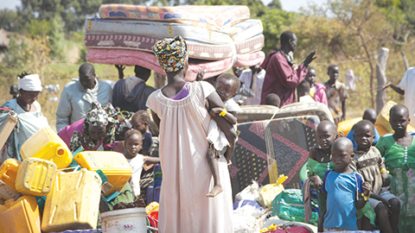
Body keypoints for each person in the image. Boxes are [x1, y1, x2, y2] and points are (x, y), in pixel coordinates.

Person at [147, 36, 236, 233]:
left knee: (181, 222)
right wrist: (227, 156)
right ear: (185, 61)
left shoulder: (154, 100)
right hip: (208, 171)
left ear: (163, 66)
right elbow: (229, 130)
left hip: (175, 175)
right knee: (211, 223)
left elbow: (167, 131)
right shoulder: (203, 89)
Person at [351, 120, 401, 232]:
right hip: (367, 195)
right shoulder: (353, 158)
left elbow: (381, 162)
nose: (364, 138)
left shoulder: (375, 151)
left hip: (381, 190)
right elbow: (361, 186)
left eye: (367, 136)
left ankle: (392, 230)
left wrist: (383, 171)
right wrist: (381, 199)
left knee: (395, 203)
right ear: (354, 137)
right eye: (360, 136)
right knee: (382, 208)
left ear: (373, 138)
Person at [376, 104, 415, 232]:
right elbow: (375, 159)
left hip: (413, 191)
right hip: (395, 190)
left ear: (409, 120)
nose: (398, 124)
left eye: (402, 120)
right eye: (394, 121)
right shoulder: (385, 141)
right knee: (396, 219)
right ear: (390, 121)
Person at [321, 138, 371, 232]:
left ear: (351, 156)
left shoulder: (356, 178)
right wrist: (321, 222)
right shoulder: (328, 175)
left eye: (342, 156)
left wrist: (366, 194)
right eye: (334, 156)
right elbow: (326, 201)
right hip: (329, 226)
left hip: (348, 227)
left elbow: (358, 205)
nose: (337, 159)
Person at [0, 72, 50, 161]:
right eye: (31, 95)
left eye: (37, 94)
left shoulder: (36, 106)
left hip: (35, 153)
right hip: (16, 157)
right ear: (21, 91)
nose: (34, 98)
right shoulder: (10, 109)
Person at [260, 30, 316, 106]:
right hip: (277, 104)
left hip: (283, 102)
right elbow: (291, 80)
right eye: (295, 42)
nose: (296, 45)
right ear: (290, 41)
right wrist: (305, 64)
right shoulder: (278, 58)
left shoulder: (285, 57)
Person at [206, 73, 240, 197]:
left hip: (223, 135)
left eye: (226, 91)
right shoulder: (214, 98)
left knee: (210, 154)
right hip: (216, 132)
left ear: (233, 95)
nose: (221, 92)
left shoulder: (230, 104)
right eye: (219, 88)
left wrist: (222, 112)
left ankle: (217, 183)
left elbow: (234, 120)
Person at [56, 63, 112, 133]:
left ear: (94, 76)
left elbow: (111, 115)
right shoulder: (70, 89)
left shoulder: (106, 89)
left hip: (99, 136)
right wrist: (64, 135)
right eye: (81, 80)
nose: (84, 83)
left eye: (87, 80)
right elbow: (62, 118)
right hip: (76, 135)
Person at [306, 121, 337, 232]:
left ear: (335, 136)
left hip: (336, 187)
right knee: (324, 210)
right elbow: (308, 172)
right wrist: (314, 177)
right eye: (319, 137)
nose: (322, 140)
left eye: (326, 136)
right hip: (319, 188)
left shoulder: (339, 152)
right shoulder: (315, 152)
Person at [123, 129, 160, 198]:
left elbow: (159, 160)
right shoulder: (120, 158)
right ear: (125, 145)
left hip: (136, 194)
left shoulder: (141, 158)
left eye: (136, 144)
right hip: (122, 194)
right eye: (130, 144)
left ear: (141, 146)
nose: (133, 147)